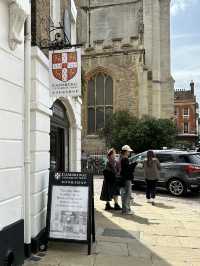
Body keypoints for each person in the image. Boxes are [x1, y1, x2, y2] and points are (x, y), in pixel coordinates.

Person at [120, 145, 137, 215]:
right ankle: (126, 210)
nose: (129, 152)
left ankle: (125, 209)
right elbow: (128, 169)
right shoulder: (125, 159)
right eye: (128, 151)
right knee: (127, 194)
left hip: (124, 178)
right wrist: (135, 164)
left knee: (124, 194)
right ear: (126, 151)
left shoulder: (122, 158)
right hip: (127, 179)